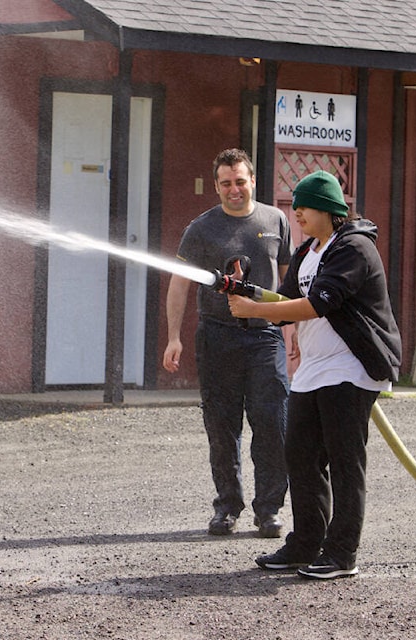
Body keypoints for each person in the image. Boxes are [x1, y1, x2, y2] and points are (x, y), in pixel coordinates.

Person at [228, 169, 401, 579]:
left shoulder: (354, 248)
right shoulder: (308, 252)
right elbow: (287, 298)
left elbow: (316, 305)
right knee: (300, 457)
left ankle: (341, 555)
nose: (296, 213)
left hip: (352, 366)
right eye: (294, 206)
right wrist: (245, 291)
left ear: (327, 208)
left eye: (302, 206)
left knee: (344, 461)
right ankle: (305, 544)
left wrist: (256, 311)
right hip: (314, 369)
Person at [163, 148, 292, 538]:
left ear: (252, 180)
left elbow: (288, 283)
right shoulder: (201, 228)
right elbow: (178, 284)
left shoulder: (276, 220)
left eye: (240, 181)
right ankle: (227, 507)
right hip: (217, 336)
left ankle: (269, 510)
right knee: (222, 426)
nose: (234, 189)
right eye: (226, 183)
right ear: (217, 186)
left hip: (265, 337)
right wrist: (173, 337)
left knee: (272, 421)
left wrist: (296, 330)